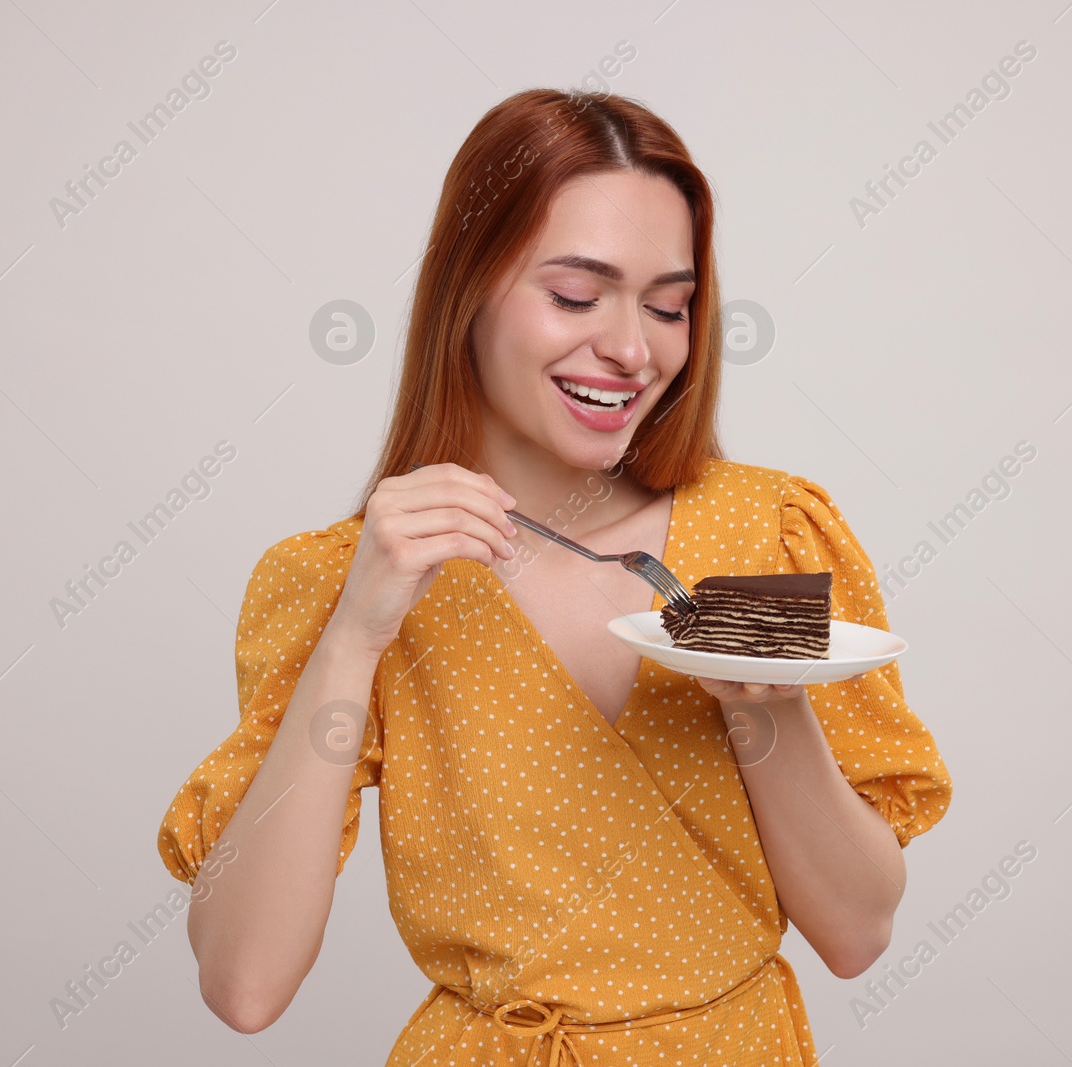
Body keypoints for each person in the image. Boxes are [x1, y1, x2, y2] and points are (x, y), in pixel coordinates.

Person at [156, 86, 951, 1064]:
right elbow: (244, 984)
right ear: (468, 290)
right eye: (575, 295)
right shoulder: (343, 580)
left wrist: (765, 705)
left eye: (669, 304)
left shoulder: (766, 529)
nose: (631, 347)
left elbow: (857, 931)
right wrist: (354, 634)